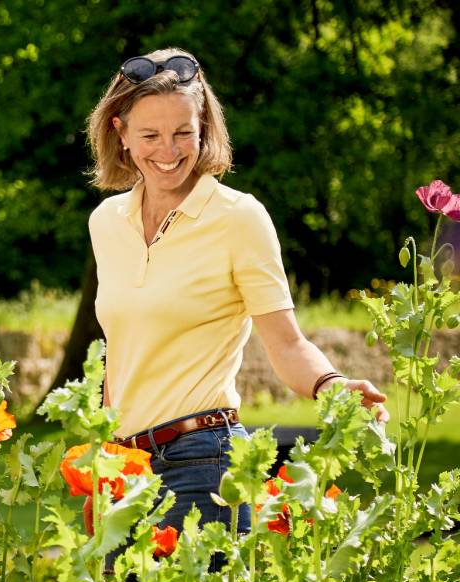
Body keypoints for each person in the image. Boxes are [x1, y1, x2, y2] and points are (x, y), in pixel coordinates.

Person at [84, 48, 388, 534]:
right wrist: (99, 462)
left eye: (183, 132)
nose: (168, 150)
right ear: (120, 133)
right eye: (150, 135)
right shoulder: (106, 222)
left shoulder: (238, 218)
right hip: (122, 471)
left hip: (203, 462)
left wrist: (332, 387)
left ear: (203, 127)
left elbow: (285, 343)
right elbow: (122, 356)